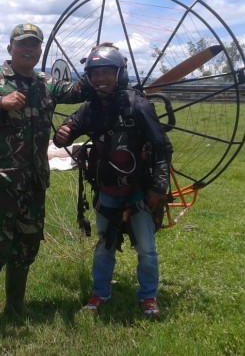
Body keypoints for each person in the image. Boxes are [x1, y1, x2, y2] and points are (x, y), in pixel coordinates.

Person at [0, 23, 90, 336]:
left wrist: (99, 63)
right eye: (23, 45)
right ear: (10, 49)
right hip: (1, 183)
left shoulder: (46, 83)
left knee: (27, 245)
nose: (29, 50)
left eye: (34, 46)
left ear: (40, 51)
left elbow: (79, 91)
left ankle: (16, 305)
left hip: (35, 181)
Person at [53, 42, 173, 318]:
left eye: (107, 72)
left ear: (120, 74)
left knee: (146, 248)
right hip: (107, 190)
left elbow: (162, 148)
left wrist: (158, 187)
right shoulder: (91, 107)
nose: (101, 79)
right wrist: (65, 131)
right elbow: (73, 125)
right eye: (95, 74)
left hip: (140, 192)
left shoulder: (137, 105)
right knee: (104, 245)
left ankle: (148, 297)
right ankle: (99, 294)